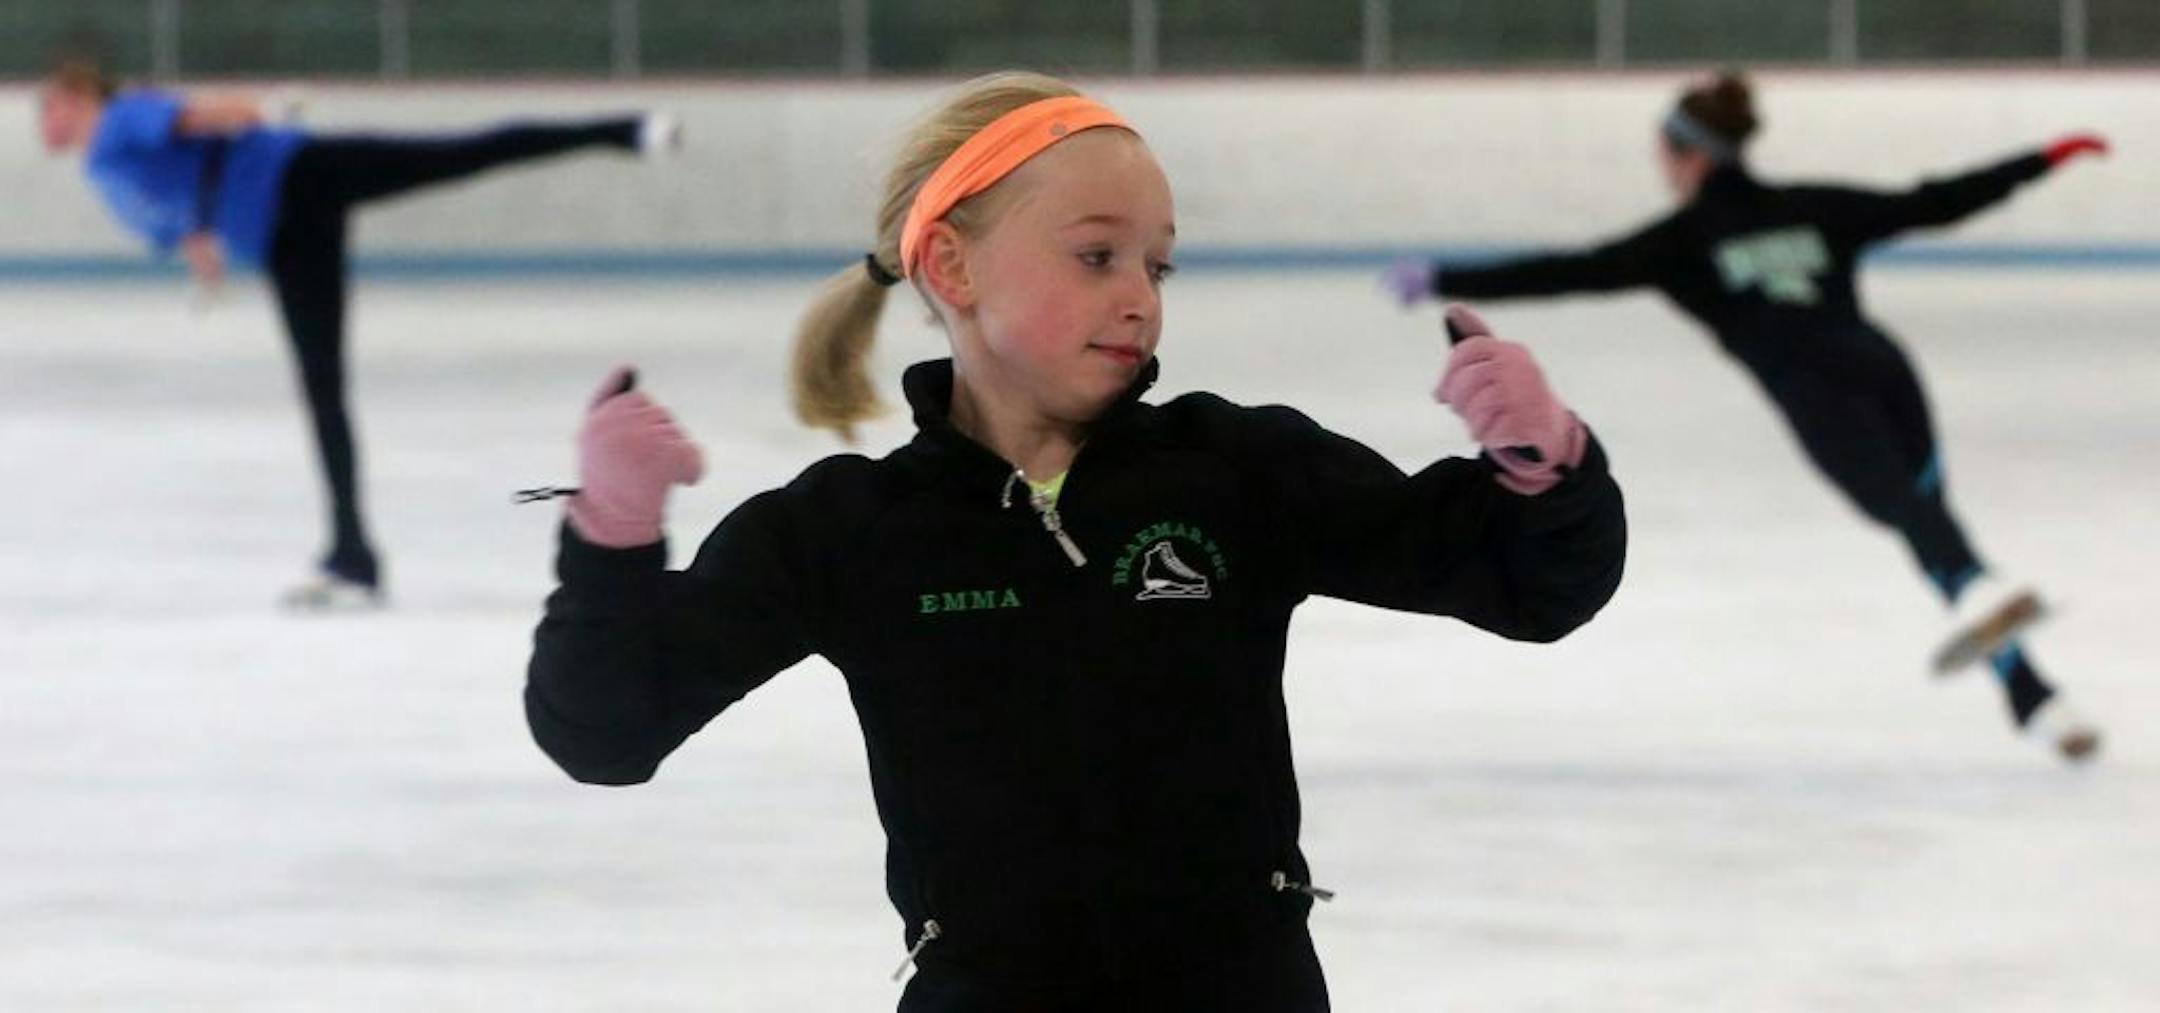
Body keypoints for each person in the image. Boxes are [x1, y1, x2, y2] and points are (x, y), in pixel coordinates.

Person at [525, 71, 1626, 1010]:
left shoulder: (1240, 472)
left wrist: (1544, 465)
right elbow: (609, 728)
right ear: (954, 270)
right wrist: (612, 539)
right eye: (1098, 256)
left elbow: (1530, 584)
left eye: (1159, 265)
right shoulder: (850, 530)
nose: (1140, 296)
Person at [1382, 71, 2106, 761]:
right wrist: (2043, 158)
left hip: (1814, 389)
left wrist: (1443, 278)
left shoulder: (1681, 243)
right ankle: (2033, 694)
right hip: (1886, 371)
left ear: (1685, 153)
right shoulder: (1814, 205)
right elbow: (1935, 201)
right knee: (1925, 519)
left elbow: (1570, 270)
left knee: (1911, 515)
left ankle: (1991, 604)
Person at [37, 58, 680, 607]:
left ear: (78, 98)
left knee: (461, 154)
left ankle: (623, 131)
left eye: (50, 107)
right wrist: (204, 264)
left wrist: (261, 108)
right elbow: (187, 224)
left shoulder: (120, 122)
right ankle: (352, 555)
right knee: (323, 391)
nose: (44, 122)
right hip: (283, 240)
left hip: (300, 176)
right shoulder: (105, 174)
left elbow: (203, 116)